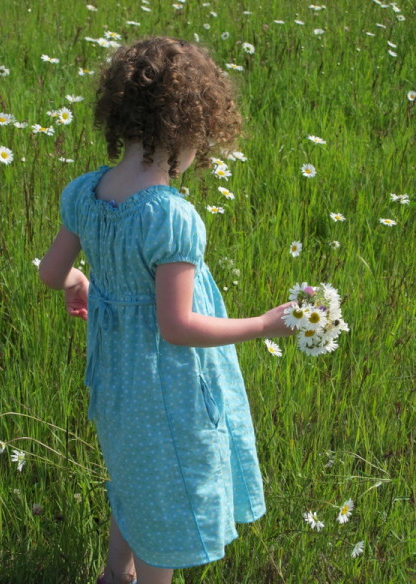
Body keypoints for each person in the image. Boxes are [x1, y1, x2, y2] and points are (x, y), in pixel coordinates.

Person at [39, 36, 293, 584]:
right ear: (189, 129)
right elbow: (177, 326)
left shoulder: (85, 192)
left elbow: (49, 272)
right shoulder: (170, 217)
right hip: (167, 390)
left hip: (114, 380)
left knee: (134, 477)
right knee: (168, 502)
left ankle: (114, 575)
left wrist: (79, 279)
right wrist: (266, 324)